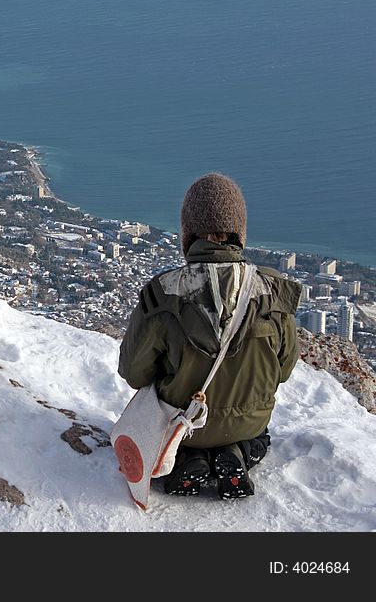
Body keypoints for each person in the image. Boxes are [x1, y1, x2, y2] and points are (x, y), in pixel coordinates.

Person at [118, 173, 301, 499]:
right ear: (239, 233)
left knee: (182, 434)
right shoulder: (273, 292)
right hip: (249, 423)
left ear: (187, 234)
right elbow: (284, 370)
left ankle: (189, 459)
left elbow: (134, 373)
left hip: (183, 427)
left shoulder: (164, 294)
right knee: (260, 436)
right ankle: (239, 454)